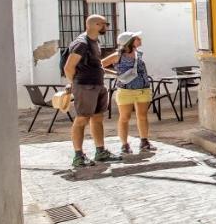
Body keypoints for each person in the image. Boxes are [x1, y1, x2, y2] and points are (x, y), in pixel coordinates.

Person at [62, 14, 121, 168]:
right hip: (85, 85)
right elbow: (68, 67)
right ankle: (78, 156)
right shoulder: (81, 43)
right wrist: (75, 83)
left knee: (97, 117)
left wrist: (113, 73)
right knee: (82, 119)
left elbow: (95, 64)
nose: (107, 27)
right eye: (104, 24)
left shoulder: (95, 42)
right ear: (95, 25)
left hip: (97, 84)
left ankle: (100, 152)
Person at [111, 31, 155, 155]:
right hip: (125, 90)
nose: (139, 38)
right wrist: (116, 74)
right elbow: (100, 64)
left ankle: (144, 141)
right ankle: (124, 144)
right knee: (125, 117)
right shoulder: (118, 55)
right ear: (129, 42)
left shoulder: (138, 54)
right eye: (136, 38)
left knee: (142, 116)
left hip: (142, 89)